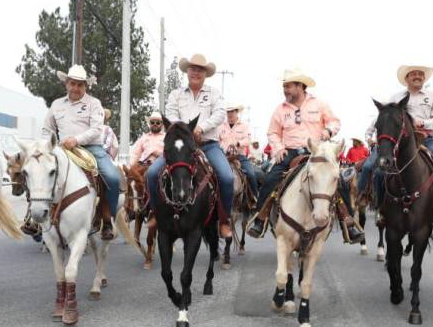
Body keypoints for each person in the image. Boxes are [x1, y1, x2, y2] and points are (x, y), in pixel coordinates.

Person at [247, 68, 364, 243]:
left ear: (300, 86)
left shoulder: (319, 104)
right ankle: (260, 219)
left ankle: (349, 222)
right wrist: (278, 149)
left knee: (338, 180)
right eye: (284, 86)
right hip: (289, 152)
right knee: (271, 179)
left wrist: (328, 130)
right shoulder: (280, 109)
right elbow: (272, 133)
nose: (285, 90)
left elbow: (334, 121)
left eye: (288, 86)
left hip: (316, 151)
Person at [147, 54, 234, 239]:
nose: (196, 72)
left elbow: (220, 114)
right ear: (187, 71)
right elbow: (170, 115)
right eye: (193, 68)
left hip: (208, 144)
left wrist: (202, 127)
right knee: (152, 173)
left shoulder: (214, 93)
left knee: (226, 177)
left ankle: (225, 220)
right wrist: (186, 131)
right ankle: (155, 212)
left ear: (205, 74)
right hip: (181, 146)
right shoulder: (175, 94)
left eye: (200, 69)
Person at [42, 64, 120, 240]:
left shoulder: (94, 104)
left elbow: (96, 130)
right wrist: (47, 145)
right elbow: (46, 130)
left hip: (91, 148)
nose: (76, 88)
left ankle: (108, 219)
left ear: (86, 86)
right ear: (66, 84)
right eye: (72, 83)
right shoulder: (56, 105)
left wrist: (76, 140)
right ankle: (35, 217)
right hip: (61, 149)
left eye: (80, 84)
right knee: (38, 172)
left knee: (113, 178)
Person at [389, 65, 433, 228]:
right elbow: (389, 116)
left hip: (425, 140)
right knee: (379, 169)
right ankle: (381, 209)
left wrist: (423, 122)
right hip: (402, 142)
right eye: (413, 74)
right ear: (406, 78)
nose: (417, 76)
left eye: (420, 74)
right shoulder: (396, 97)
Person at [218, 104, 259, 197]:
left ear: (237, 112)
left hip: (240, 156)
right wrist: (222, 148)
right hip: (224, 157)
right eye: (228, 111)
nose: (230, 114)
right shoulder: (221, 126)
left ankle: (254, 199)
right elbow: (217, 140)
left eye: (232, 111)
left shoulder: (244, 126)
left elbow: (248, 140)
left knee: (251, 174)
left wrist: (238, 143)